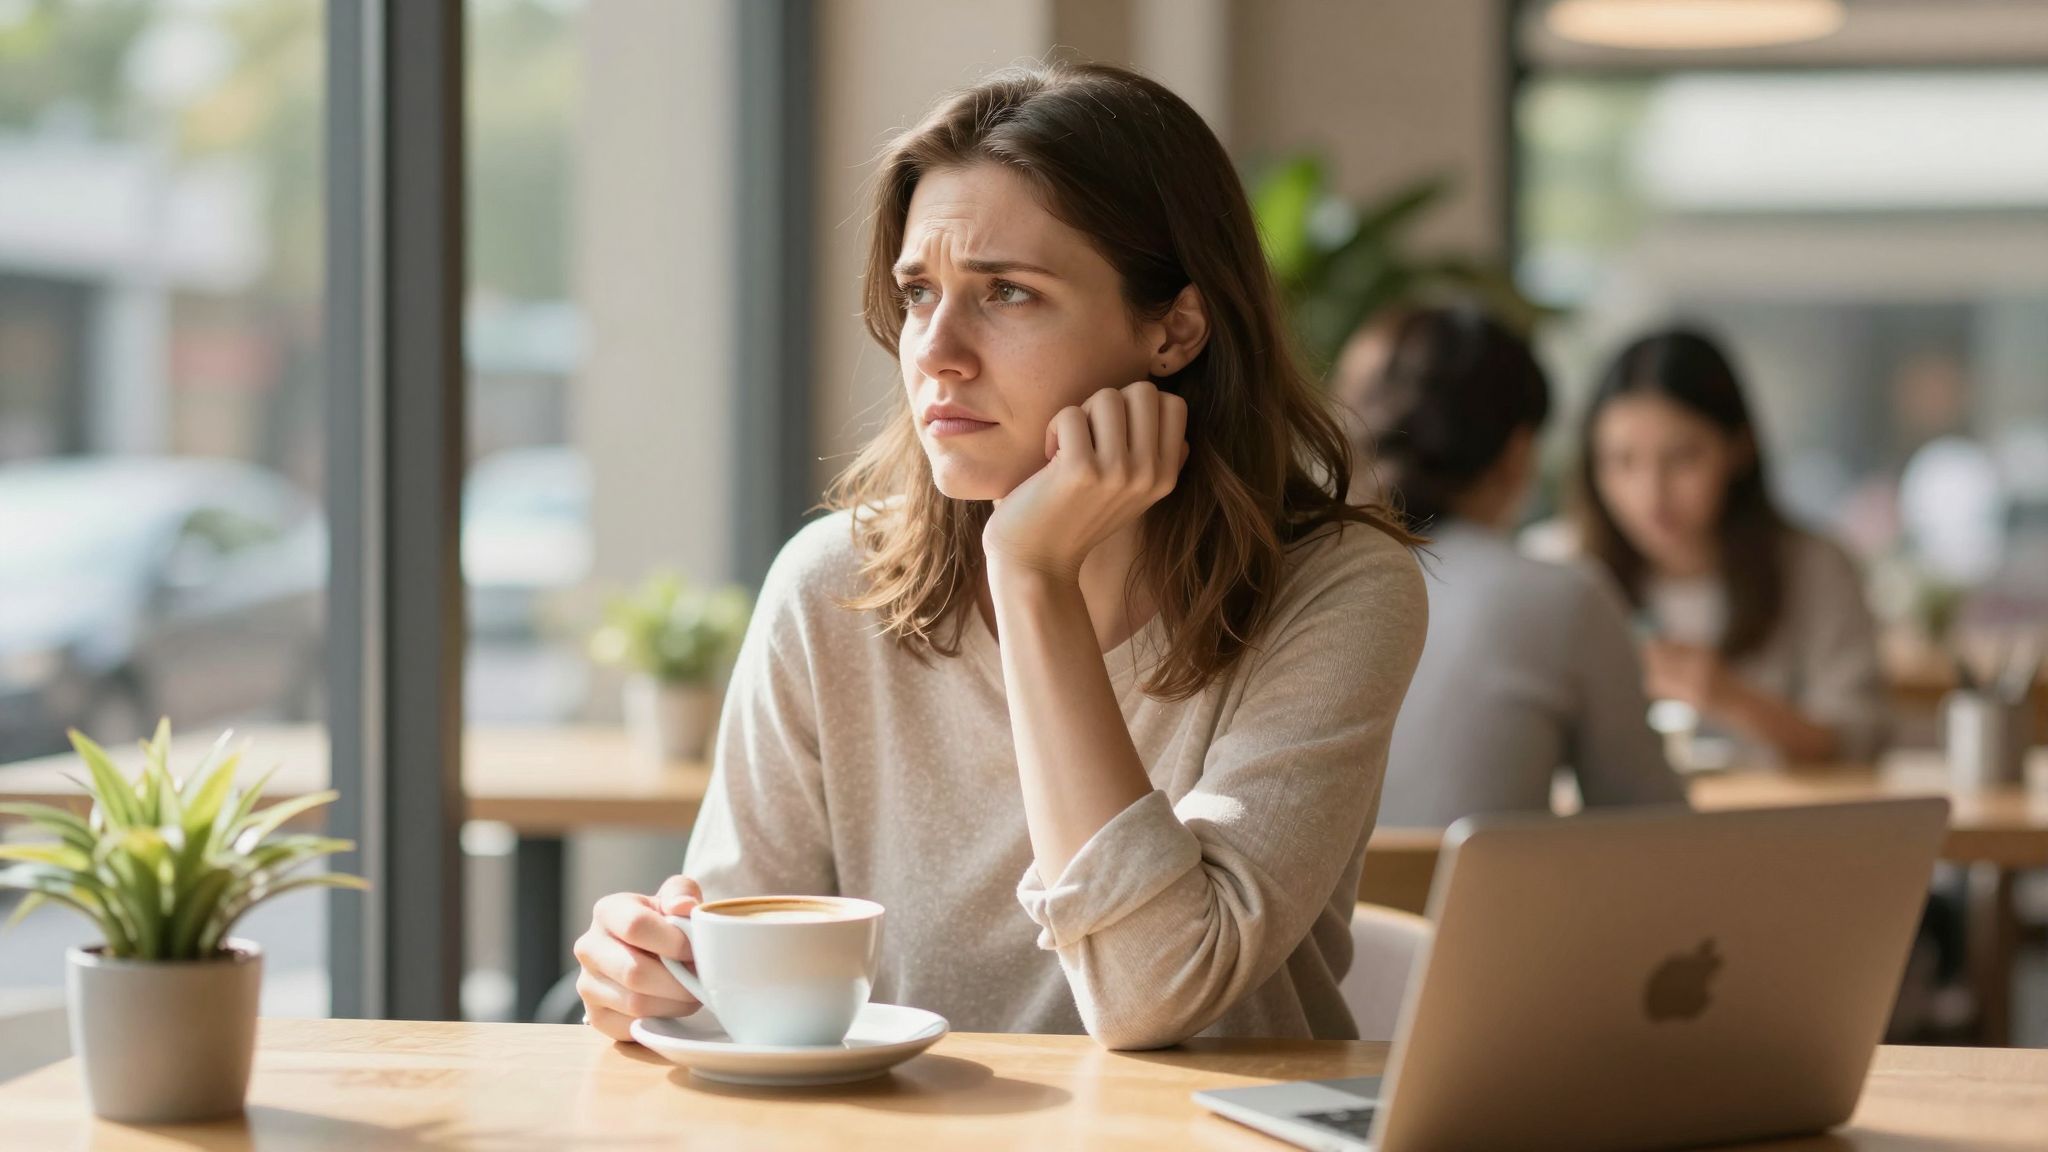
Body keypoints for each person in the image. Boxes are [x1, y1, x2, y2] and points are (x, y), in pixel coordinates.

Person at [572, 61, 1427, 1051]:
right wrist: (653, 974)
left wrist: (1030, 576)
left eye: (1007, 292)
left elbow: (1156, 991)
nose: (936, 350)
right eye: (918, 292)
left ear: (1173, 329)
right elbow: (737, 996)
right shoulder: (831, 586)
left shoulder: (1335, 592)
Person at [1333, 307, 1685, 825]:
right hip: (1473, 883)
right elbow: (1653, 825)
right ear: (1518, 451)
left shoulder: (1291, 582)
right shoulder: (1564, 597)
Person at [1570, 328, 1887, 764]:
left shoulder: (1815, 568)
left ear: (1739, 448)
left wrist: (1731, 698)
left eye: (1682, 457)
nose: (1651, 495)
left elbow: (1861, 737)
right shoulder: (1561, 570)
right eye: (1622, 461)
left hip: (1778, 812)